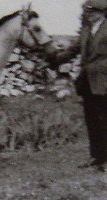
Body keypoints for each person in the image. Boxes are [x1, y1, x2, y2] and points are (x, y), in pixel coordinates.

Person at [73, 0, 107, 169]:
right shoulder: (86, 29)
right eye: (87, 12)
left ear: (101, 13)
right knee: (92, 120)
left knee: (104, 119)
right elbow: (74, 48)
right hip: (88, 82)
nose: (88, 15)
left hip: (104, 80)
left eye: (92, 12)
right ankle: (96, 157)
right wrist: (52, 56)